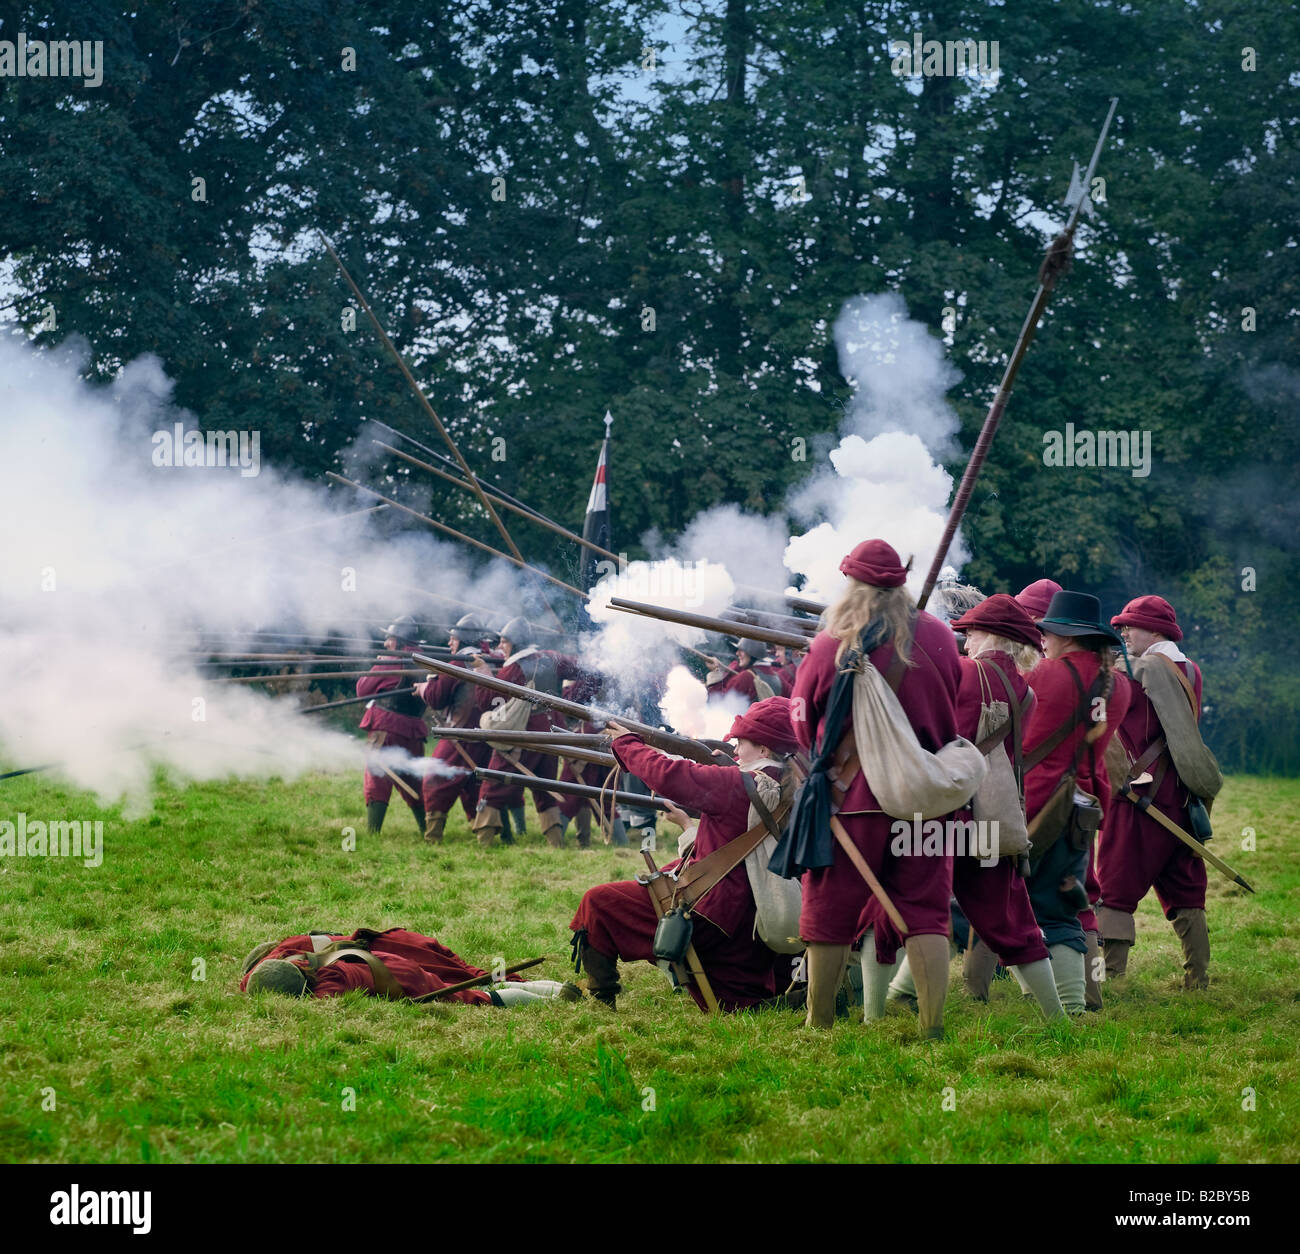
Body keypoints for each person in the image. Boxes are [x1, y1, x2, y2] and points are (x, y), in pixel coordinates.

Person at [790, 539, 970, 1040]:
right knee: (928, 915)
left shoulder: (834, 641)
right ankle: (932, 1026)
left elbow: (803, 719)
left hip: (854, 802)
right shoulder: (938, 635)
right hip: (926, 801)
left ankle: (819, 1022)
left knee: (829, 912)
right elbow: (951, 706)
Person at [886, 594, 1065, 1020]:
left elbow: (939, 736)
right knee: (1011, 918)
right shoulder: (1025, 692)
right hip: (989, 818)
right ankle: (1057, 1018)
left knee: (903, 903)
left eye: (973, 631)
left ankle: (879, 1008)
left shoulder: (966, 673)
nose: (965, 639)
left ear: (995, 637)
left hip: (943, 813)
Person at [569, 697, 803, 1012]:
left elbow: (667, 774)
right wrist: (688, 822)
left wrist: (625, 742)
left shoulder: (738, 784)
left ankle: (599, 998)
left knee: (598, 904)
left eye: (742, 743)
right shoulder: (795, 783)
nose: (735, 750)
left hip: (711, 915)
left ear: (764, 749)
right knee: (733, 1003)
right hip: (752, 923)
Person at [1098, 596, 1221, 989]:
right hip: (1182, 796)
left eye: (1129, 626)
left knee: (1115, 887)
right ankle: (1197, 978)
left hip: (1139, 796)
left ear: (1155, 630)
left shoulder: (1135, 671)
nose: (1122, 633)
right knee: (1186, 887)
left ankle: (1113, 978)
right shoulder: (1192, 671)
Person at [1019, 591, 1129, 1015]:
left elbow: (1024, 740)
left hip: (1037, 800)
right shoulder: (1118, 686)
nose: (1043, 639)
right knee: (1071, 900)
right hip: (1082, 805)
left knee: (1007, 895)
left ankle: (1064, 1004)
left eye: (1048, 631)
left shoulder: (1045, 676)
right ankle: (1087, 995)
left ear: (1066, 636)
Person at [471, 617, 600, 846]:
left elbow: (489, 701)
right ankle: (555, 842)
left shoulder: (513, 669)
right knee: (546, 788)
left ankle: (484, 843)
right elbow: (586, 670)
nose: (501, 646)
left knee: (493, 785)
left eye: (505, 642)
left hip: (524, 734)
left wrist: (483, 674)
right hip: (552, 732)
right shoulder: (550, 657)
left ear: (516, 643)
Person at [241, 927, 579, 1006]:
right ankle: (552, 989)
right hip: (388, 962)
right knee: (474, 983)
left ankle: (553, 998)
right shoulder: (293, 957)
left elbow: (326, 1005)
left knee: (476, 999)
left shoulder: (328, 986)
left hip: (398, 977)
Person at [416, 618, 499, 844]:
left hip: (461, 734)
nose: (450, 641)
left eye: (454, 637)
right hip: (489, 734)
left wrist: (426, 686)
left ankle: (433, 837)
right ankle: (485, 834)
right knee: (475, 783)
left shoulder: (458, 662)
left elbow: (437, 698)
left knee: (435, 779)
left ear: (463, 639)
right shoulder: (493, 658)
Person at [355, 616, 427, 835]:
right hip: (413, 731)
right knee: (414, 779)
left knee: (377, 777)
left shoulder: (389, 660)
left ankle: (373, 832)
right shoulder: (425, 659)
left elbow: (362, 689)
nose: (386, 643)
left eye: (390, 638)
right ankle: (428, 829)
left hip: (386, 728)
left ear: (400, 640)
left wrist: (380, 662)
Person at [704, 639, 778, 706]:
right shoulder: (777, 677)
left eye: (741, 650)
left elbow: (718, 702)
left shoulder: (746, 676)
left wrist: (716, 671)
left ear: (752, 654)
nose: (737, 653)